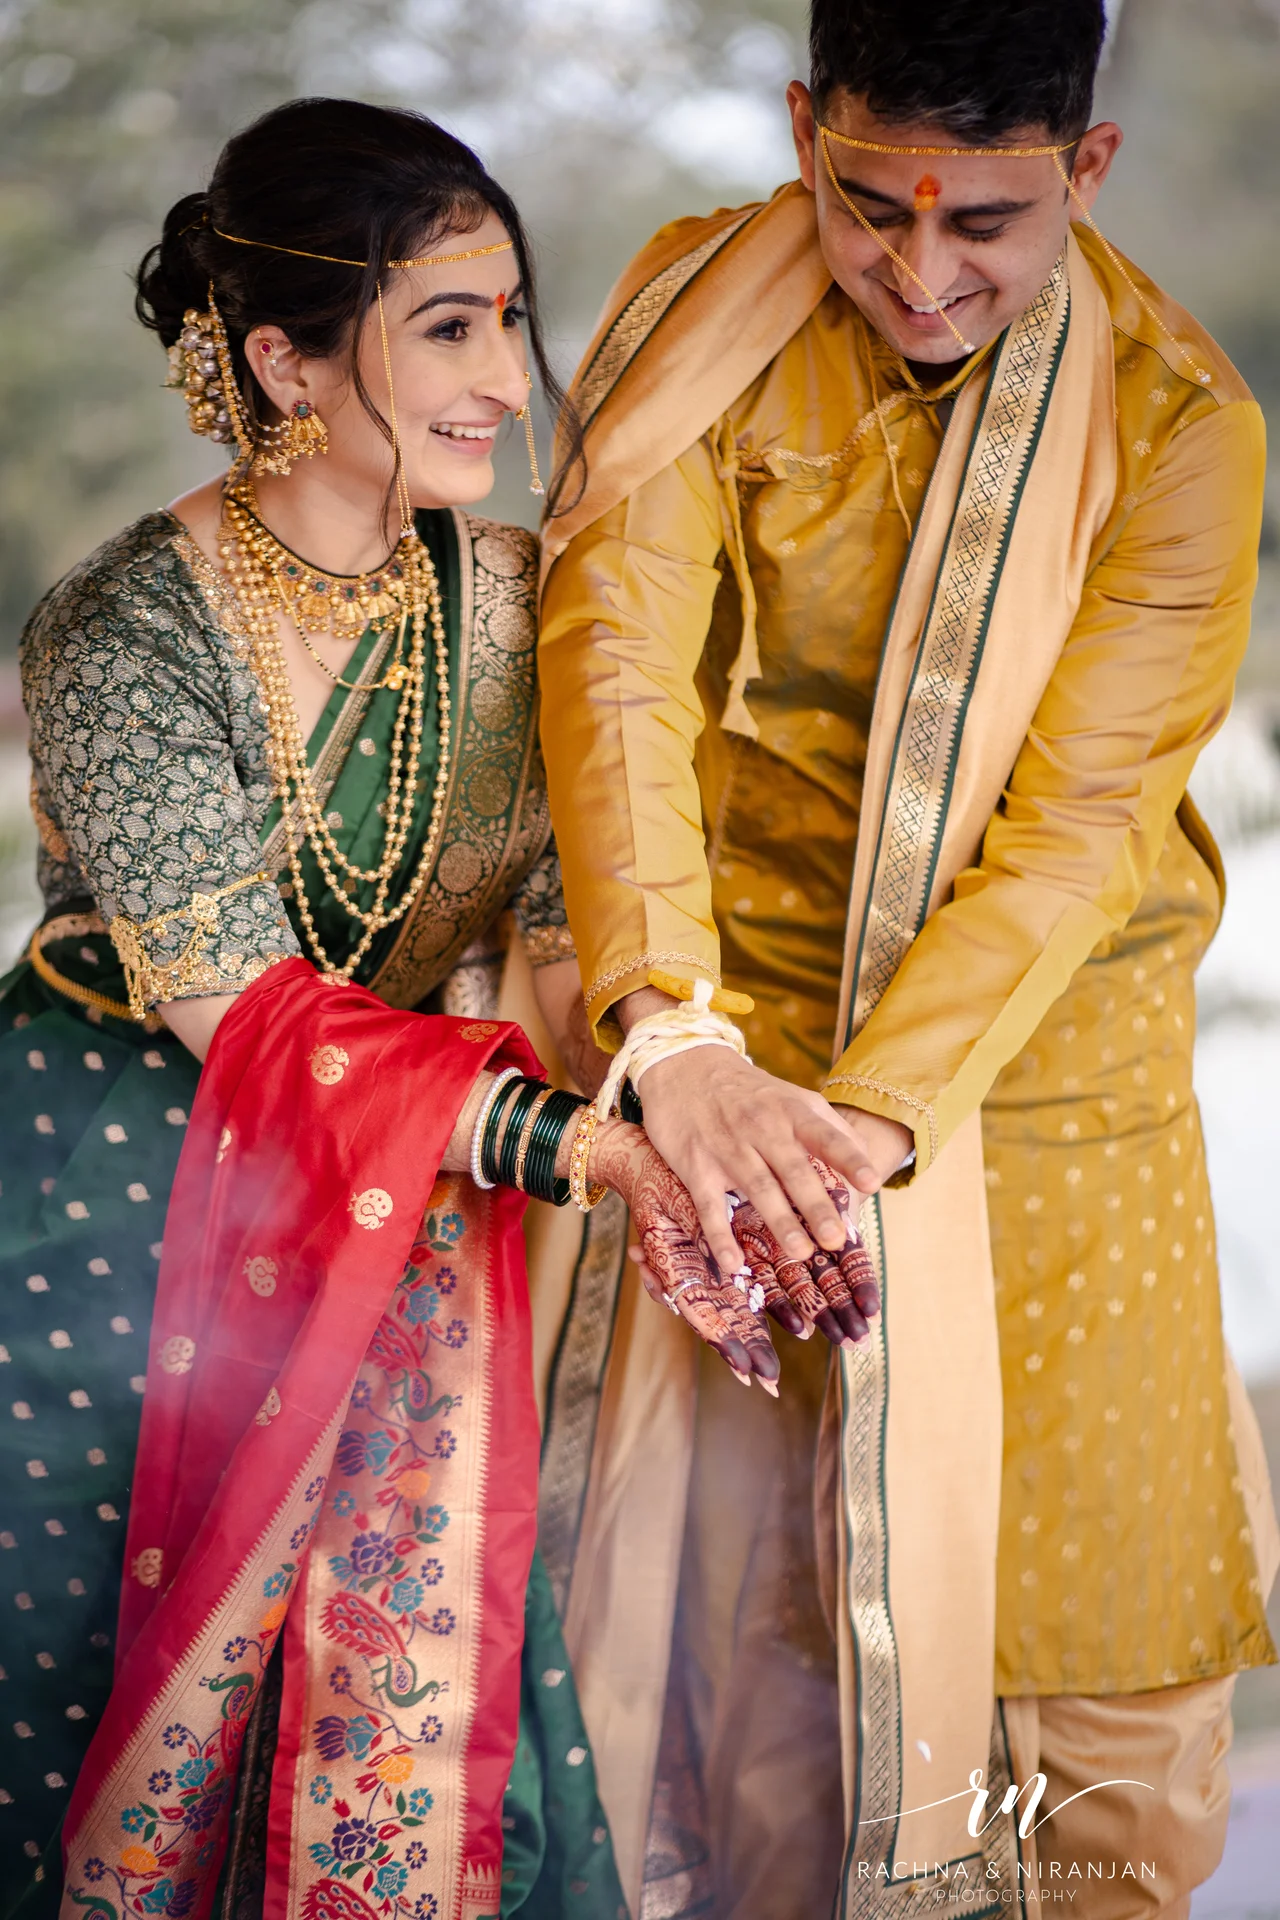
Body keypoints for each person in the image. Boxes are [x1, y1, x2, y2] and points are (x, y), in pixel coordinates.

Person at [0, 95, 874, 1920]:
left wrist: (705, 1119)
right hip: (116, 1214)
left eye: (510, 318)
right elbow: (237, 1008)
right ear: (285, 361)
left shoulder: (512, 604)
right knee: (86, 1706)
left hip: (398, 1210)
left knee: (423, 1728)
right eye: (448, 329)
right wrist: (602, 1160)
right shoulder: (123, 636)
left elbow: (565, 927)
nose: (505, 376)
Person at [537, 3, 1280, 1915]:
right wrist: (678, 1036)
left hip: (1042, 1092)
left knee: (1091, 1626)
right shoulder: (702, 309)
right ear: (802, 129)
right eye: (871, 207)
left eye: (990, 227)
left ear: (1085, 174)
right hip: (727, 1077)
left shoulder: (1184, 427)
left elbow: (1078, 832)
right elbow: (617, 650)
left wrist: (866, 1127)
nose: (922, 272)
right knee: (762, 1651)